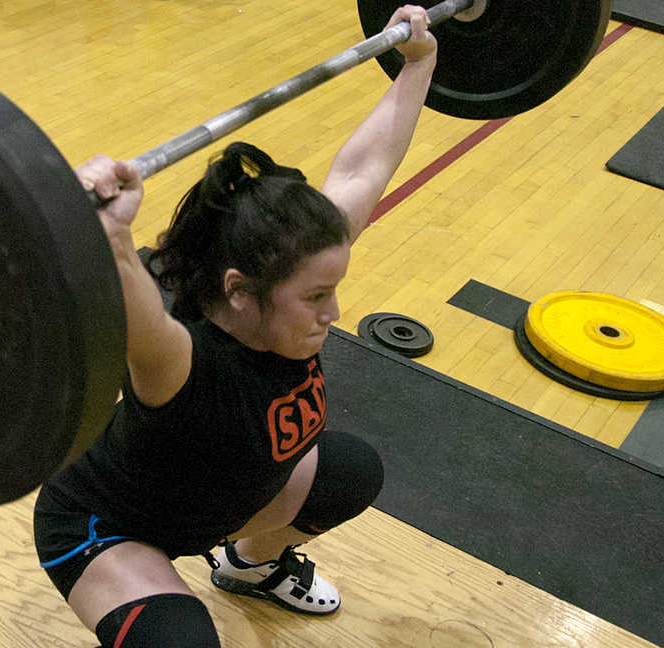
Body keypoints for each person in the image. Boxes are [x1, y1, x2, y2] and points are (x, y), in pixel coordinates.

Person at [34, 6, 437, 647]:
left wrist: (418, 67)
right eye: (316, 299)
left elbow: (362, 171)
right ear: (239, 293)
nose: (333, 314)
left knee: (349, 471)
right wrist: (109, 231)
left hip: (219, 500)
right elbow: (128, 293)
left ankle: (249, 567)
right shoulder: (183, 361)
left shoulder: (286, 262)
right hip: (108, 525)